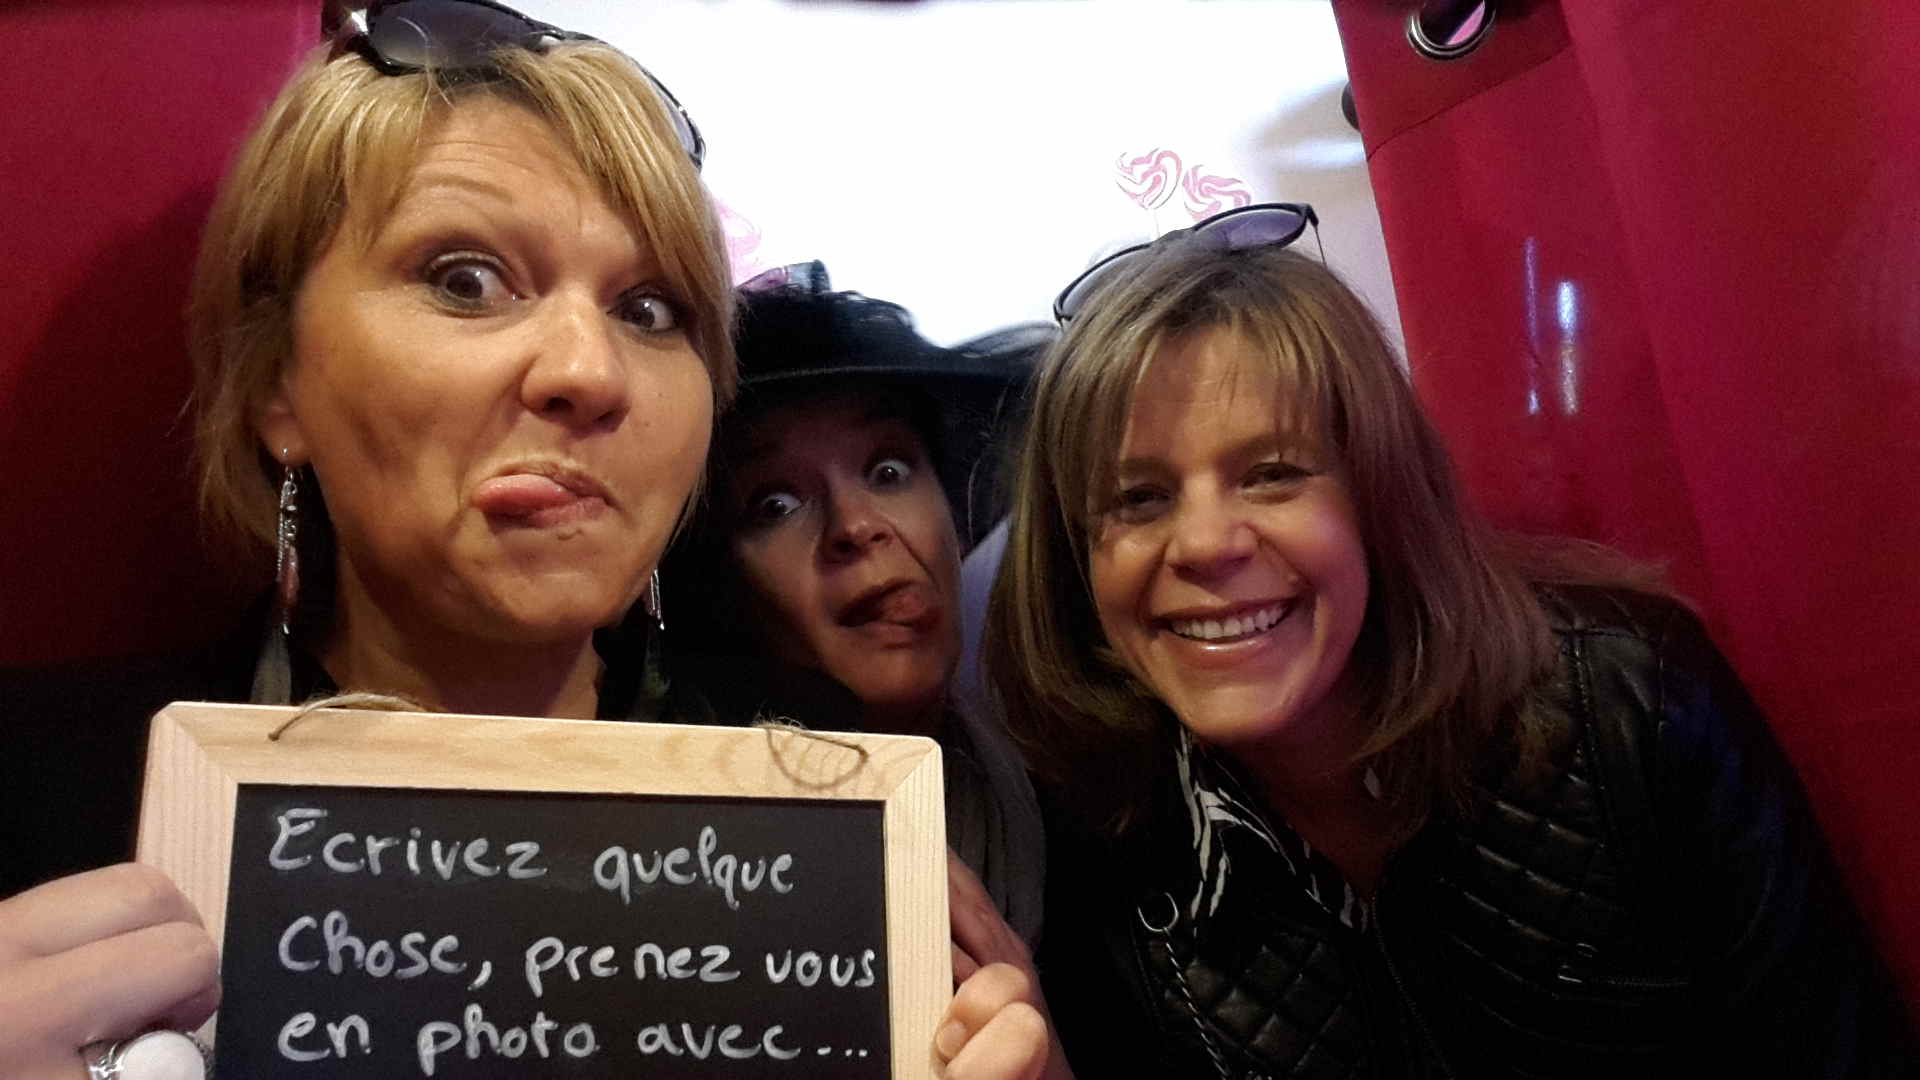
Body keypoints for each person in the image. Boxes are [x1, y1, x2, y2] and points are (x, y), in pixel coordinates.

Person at [941, 205, 1914, 1078]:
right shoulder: (1103, 846)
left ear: (1380, 496)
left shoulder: (1632, 702)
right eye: (1140, 499)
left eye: (1273, 474)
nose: (1203, 545)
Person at [0, 3, 734, 1075]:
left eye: (652, 310)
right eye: (466, 280)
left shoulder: (851, 820)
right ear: (275, 384)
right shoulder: (34, 800)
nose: (590, 370)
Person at [664, 266, 1049, 951]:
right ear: (716, 589)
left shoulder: (1070, 802)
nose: (856, 525)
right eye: (775, 504)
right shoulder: (680, 855)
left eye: (888, 470)